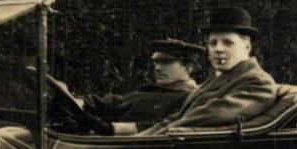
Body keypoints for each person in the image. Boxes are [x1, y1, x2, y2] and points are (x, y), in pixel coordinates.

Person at [144, 7, 277, 134]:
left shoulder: (258, 82)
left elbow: (211, 115)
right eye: (213, 43)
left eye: (228, 43)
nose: (218, 49)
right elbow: (179, 117)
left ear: (247, 47)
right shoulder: (219, 78)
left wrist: (157, 135)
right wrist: (141, 138)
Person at [75, 39, 205, 133]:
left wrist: (111, 128)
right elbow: (116, 103)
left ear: (188, 68)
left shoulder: (189, 98)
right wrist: (82, 102)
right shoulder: (149, 91)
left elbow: (161, 127)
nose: (157, 68)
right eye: (156, 63)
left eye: (165, 62)